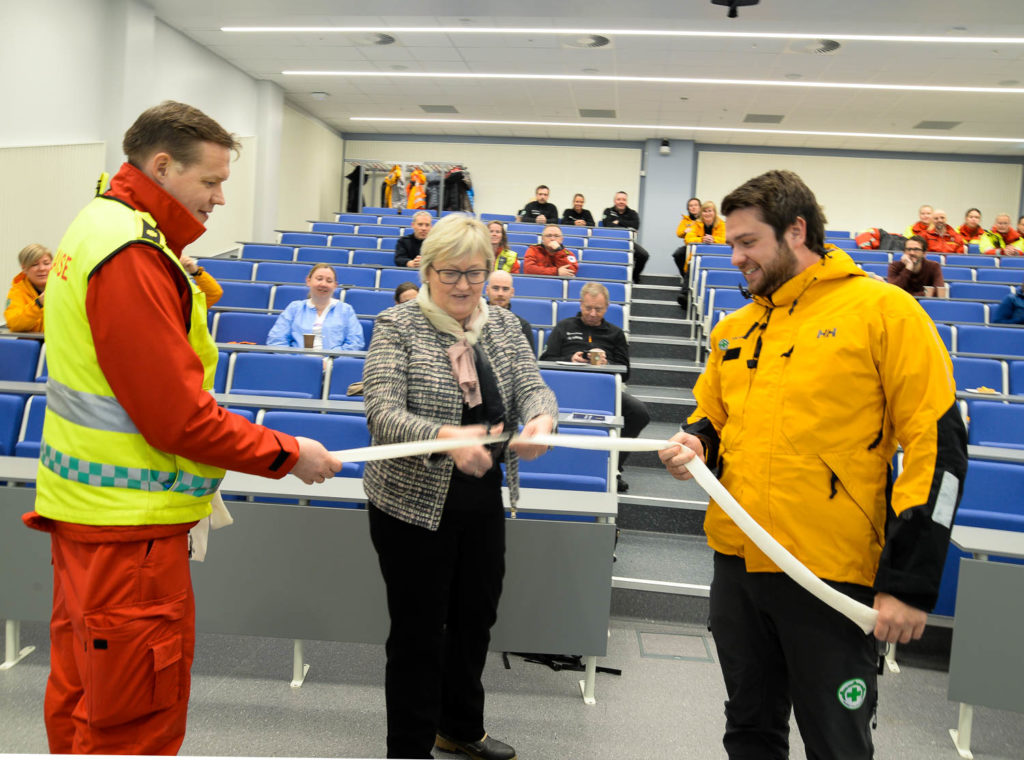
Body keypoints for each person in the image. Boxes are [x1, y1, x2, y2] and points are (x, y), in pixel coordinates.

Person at [21, 100, 341, 755]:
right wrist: (288, 453)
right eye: (212, 181)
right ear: (162, 166)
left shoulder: (97, 222)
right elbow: (177, 418)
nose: (222, 198)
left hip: (88, 519)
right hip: (127, 537)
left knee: (85, 704)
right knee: (131, 724)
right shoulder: (132, 254)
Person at [658, 169, 968, 760]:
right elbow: (713, 419)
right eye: (731, 244)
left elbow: (938, 447)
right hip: (738, 563)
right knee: (749, 731)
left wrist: (910, 581)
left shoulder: (885, 312)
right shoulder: (736, 326)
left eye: (748, 242)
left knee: (837, 742)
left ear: (797, 230)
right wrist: (697, 444)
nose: (735, 257)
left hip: (830, 571)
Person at [362, 213, 557, 760]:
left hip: (481, 496)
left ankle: (460, 727)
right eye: (450, 273)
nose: (465, 286)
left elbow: (532, 386)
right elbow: (382, 414)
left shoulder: (502, 326)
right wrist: (447, 436)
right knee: (419, 631)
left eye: (476, 273)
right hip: (410, 502)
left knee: (475, 618)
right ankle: (408, 749)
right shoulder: (396, 325)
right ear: (426, 271)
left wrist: (542, 418)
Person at [540, 282, 649, 492]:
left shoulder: (616, 334)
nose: (592, 313)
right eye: (588, 307)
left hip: (603, 391)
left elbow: (626, 372)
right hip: (566, 387)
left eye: (598, 309)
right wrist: (570, 358)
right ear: (580, 304)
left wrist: (607, 364)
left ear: (607, 307)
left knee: (638, 413)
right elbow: (546, 359)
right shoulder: (564, 327)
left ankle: (613, 466)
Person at [267, 264, 364, 350]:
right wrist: (294, 360)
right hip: (296, 364)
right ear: (308, 281)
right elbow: (276, 340)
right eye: (319, 279)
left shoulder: (345, 310)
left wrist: (332, 361)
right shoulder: (294, 308)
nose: (323, 284)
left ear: (335, 286)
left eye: (329, 281)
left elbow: (356, 342)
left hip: (333, 366)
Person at [600, 190, 650, 283]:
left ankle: (634, 276)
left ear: (626, 201)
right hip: (610, 243)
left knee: (644, 255)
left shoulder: (632, 213)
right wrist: (627, 227)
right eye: (619, 199)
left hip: (627, 243)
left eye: (624, 199)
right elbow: (607, 225)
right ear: (615, 201)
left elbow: (636, 225)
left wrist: (618, 221)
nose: (621, 201)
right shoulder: (607, 211)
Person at [5, 243, 52, 332]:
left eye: (46, 263)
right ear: (24, 268)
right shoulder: (17, 291)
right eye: (34, 265)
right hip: (32, 343)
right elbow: (14, 323)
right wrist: (38, 304)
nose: (42, 268)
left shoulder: (64, 286)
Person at [486, 269, 535, 352]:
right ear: (487, 290)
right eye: (495, 288)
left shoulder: (523, 326)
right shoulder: (473, 321)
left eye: (505, 289)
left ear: (512, 292)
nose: (500, 293)